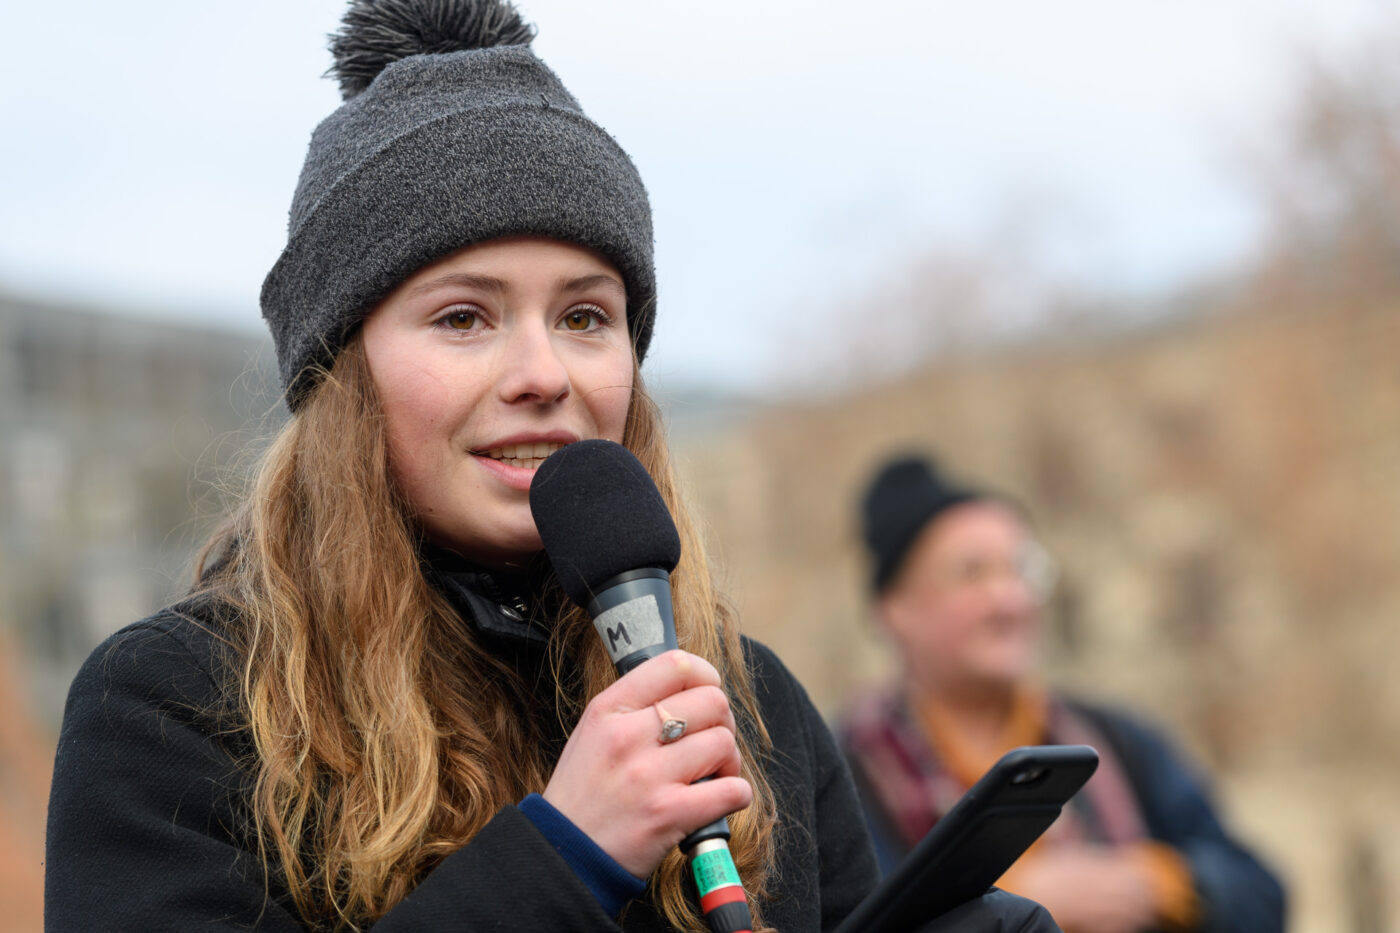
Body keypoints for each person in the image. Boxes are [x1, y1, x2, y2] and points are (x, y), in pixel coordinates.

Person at [44, 3, 1057, 931]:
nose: (541, 373)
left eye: (584, 317)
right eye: (461, 317)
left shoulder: (750, 707)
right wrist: (565, 856)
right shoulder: (176, 707)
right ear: (342, 375)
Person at [838, 455, 1287, 933]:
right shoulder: (841, 777)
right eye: (971, 574)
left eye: (1021, 570)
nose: (1009, 600)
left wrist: (1158, 883)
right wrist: (1000, 908)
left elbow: (1261, 893)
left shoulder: (1117, 740)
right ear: (895, 609)